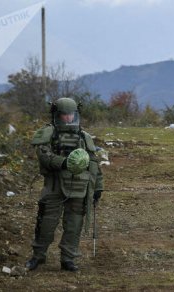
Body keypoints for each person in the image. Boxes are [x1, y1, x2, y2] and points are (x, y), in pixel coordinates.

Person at [26, 97, 104, 272]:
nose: (68, 119)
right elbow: (44, 156)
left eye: (71, 115)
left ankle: (68, 259)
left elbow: (93, 163)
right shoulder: (49, 133)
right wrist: (64, 162)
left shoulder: (83, 136)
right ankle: (38, 256)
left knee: (74, 224)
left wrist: (98, 186)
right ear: (56, 115)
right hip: (54, 185)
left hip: (79, 186)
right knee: (46, 222)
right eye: (64, 115)